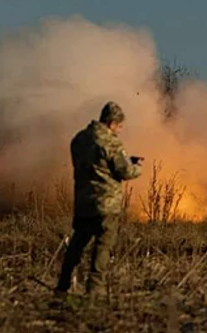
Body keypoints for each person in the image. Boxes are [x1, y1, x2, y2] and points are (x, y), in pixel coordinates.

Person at [55, 101, 141, 296]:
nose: (119, 131)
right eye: (119, 127)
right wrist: (136, 167)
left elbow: (92, 166)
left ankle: (63, 285)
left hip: (84, 202)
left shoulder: (79, 139)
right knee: (103, 246)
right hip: (106, 204)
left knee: (77, 245)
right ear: (112, 123)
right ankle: (95, 289)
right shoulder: (110, 142)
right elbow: (123, 171)